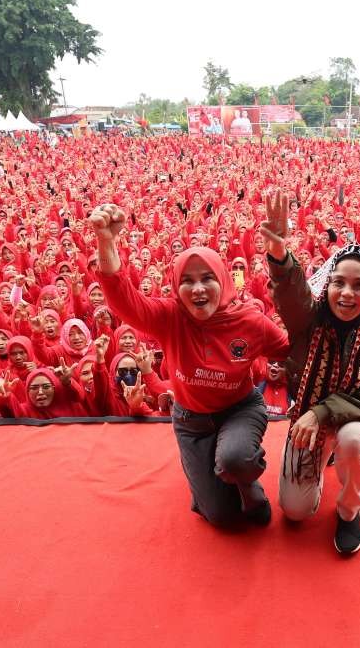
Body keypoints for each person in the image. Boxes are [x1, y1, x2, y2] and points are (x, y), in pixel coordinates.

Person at [89, 203, 289, 528]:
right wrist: (106, 242)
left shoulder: (251, 322)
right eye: (188, 280)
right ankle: (212, 482)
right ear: (176, 287)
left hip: (239, 410)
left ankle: (249, 486)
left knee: (236, 460)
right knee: (222, 519)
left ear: (223, 280)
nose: (198, 289)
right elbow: (123, 299)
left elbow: (292, 351)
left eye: (207, 278)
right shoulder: (170, 318)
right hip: (191, 421)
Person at [262, 191, 360, 555]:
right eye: (339, 282)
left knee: (355, 440)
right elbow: (291, 295)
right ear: (328, 284)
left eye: (358, 285)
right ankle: (323, 461)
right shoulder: (309, 319)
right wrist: (279, 254)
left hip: (344, 420)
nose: (347, 293)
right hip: (307, 421)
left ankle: (349, 510)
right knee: (294, 512)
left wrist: (321, 412)